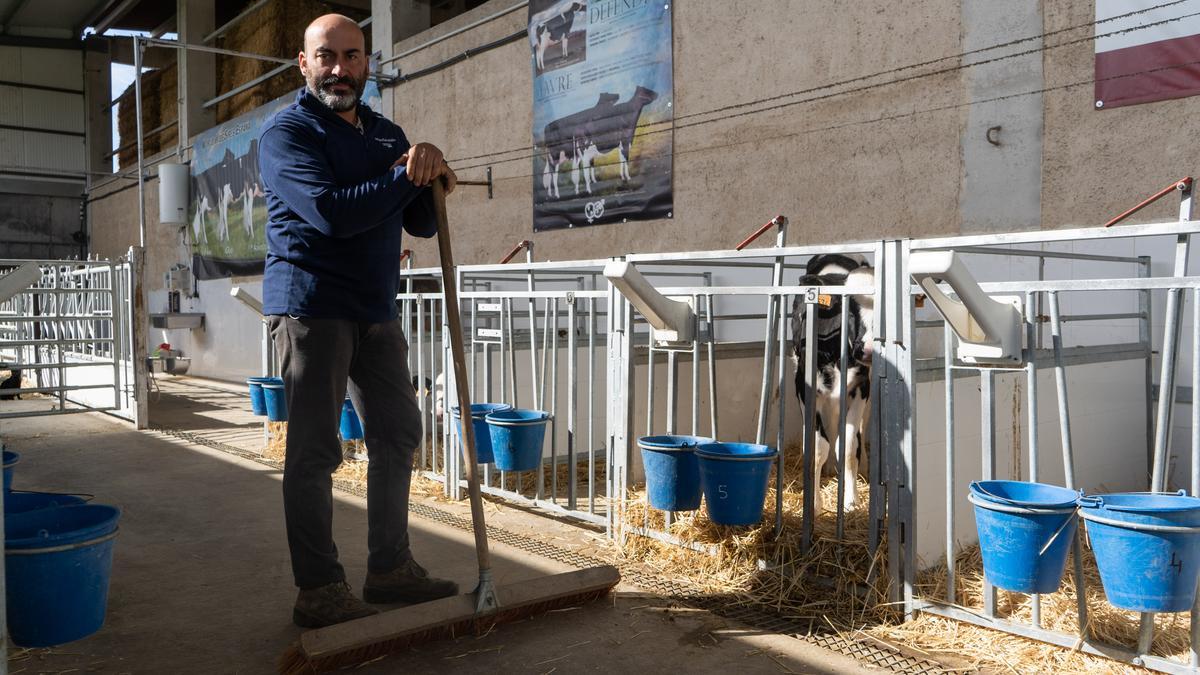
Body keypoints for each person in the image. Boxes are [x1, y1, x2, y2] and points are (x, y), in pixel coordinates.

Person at [257, 13, 459, 629]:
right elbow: (330, 215)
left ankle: (389, 568)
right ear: (303, 62)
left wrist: (430, 171)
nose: (340, 69)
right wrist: (405, 173)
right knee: (315, 452)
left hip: (376, 308)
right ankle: (318, 588)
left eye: (352, 56)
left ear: (368, 62)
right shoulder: (287, 133)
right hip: (312, 308)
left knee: (398, 433)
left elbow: (420, 223)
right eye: (327, 56)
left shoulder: (383, 132)